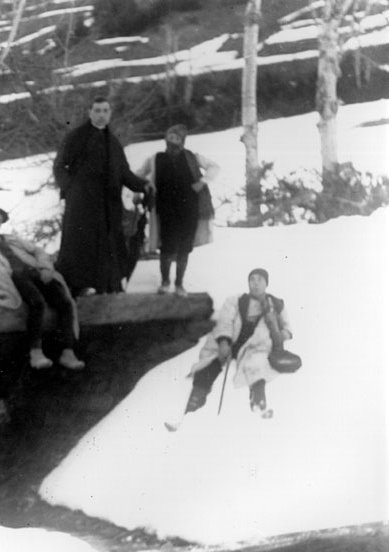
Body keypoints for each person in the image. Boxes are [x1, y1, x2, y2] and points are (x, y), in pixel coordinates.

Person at [165, 268, 293, 431]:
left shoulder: (276, 304)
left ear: (266, 283)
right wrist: (224, 342)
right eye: (252, 279)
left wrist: (277, 334)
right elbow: (225, 322)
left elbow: (288, 329)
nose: (255, 283)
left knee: (257, 366)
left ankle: (259, 406)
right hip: (231, 344)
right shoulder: (236, 300)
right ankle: (191, 409)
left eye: (260, 279)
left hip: (256, 348)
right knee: (207, 368)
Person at [0, 206, 84, 371]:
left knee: (64, 302)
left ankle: (68, 353)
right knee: (37, 302)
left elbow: (37, 250)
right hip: (10, 277)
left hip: (34, 273)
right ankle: (36, 353)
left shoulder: (11, 239)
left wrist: (45, 267)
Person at [53, 95, 151, 296]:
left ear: (110, 114)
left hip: (108, 207)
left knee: (107, 247)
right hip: (81, 206)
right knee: (80, 246)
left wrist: (144, 185)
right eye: (97, 110)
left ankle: (105, 286)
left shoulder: (113, 142)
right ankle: (76, 287)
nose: (101, 114)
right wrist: (71, 190)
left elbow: (124, 174)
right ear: (90, 112)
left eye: (105, 110)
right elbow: (59, 166)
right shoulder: (76, 137)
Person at [138, 124, 220, 297]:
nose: (172, 141)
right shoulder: (156, 158)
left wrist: (202, 182)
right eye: (169, 137)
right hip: (165, 210)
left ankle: (180, 284)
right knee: (167, 247)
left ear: (182, 141)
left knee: (184, 247)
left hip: (189, 210)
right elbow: (139, 174)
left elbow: (214, 167)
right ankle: (165, 282)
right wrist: (144, 186)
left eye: (176, 138)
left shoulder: (192, 157)